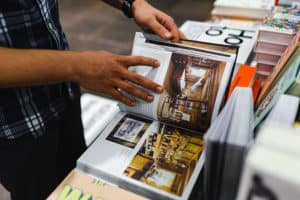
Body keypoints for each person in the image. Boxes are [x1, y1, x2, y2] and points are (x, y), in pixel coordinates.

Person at [0, 0, 185, 199]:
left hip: (64, 95)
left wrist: (132, 4)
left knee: (75, 180)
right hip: (17, 123)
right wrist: (77, 67)